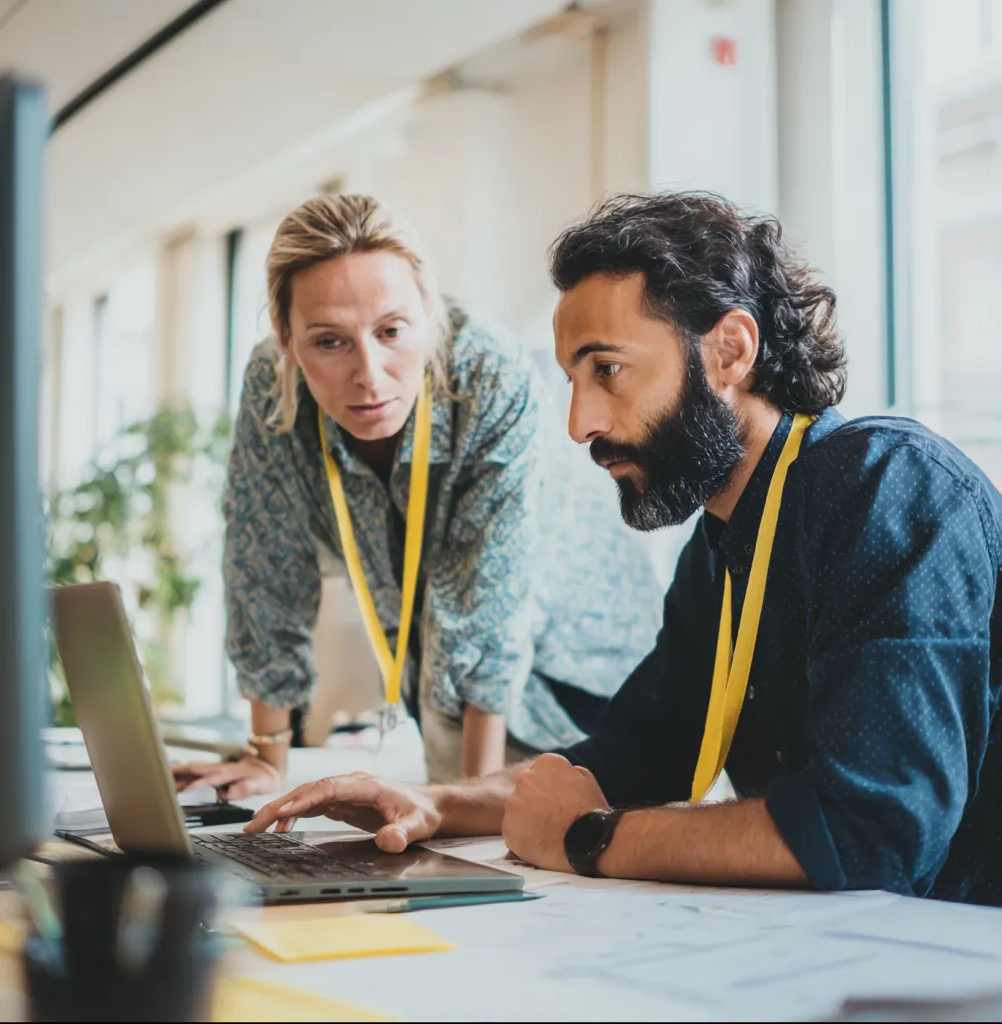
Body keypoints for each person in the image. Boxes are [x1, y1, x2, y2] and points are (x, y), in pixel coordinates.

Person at [245, 192, 1002, 908]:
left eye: (607, 370)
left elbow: (872, 834)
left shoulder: (891, 492)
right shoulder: (722, 548)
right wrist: (433, 804)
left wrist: (589, 838)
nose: (579, 423)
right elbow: (633, 755)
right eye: (574, 378)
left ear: (730, 350)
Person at [173, 194, 661, 796]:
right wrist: (264, 756)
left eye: (391, 331)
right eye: (329, 342)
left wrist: (462, 804)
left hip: (588, 684)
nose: (369, 374)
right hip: (448, 693)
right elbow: (262, 566)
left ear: (428, 312)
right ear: (285, 338)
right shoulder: (273, 388)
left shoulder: (488, 373)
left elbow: (489, 602)